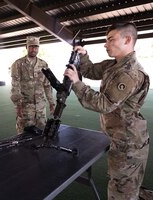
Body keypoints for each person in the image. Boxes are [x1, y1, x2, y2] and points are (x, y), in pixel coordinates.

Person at [64, 22, 151, 199]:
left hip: (128, 142)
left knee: (121, 192)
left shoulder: (130, 73)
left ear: (127, 40)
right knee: (124, 184)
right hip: (120, 137)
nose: (105, 44)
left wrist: (77, 83)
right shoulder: (114, 65)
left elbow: (104, 104)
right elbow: (90, 70)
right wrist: (84, 55)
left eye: (111, 39)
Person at [10, 36, 55, 134]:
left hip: (41, 108)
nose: (34, 49)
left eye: (36, 47)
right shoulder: (18, 64)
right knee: (24, 135)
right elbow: (15, 86)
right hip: (25, 108)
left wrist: (51, 103)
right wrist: (18, 106)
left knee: (42, 134)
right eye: (31, 46)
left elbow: (47, 85)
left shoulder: (43, 64)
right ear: (26, 47)